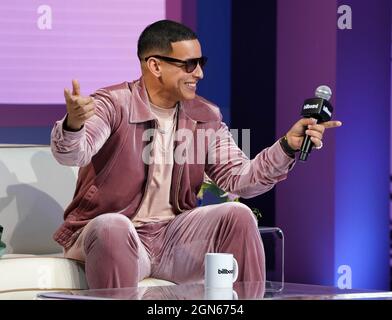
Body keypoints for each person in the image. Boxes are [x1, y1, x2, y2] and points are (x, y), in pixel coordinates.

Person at [50, 20, 342, 289]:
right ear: (155, 66)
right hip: (116, 236)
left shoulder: (204, 115)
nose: (199, 73)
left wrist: (287, 146)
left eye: (201, 63)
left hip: (171, 238)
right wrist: (74, 124)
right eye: (189, 65)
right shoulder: (113, 104)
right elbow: (72, 154)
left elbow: (241, 180)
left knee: (237, 214)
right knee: (112, 225)